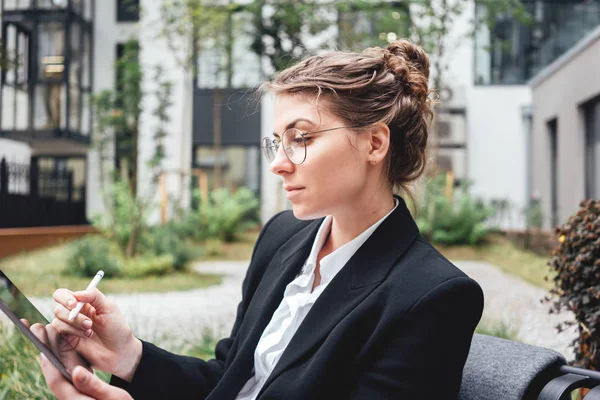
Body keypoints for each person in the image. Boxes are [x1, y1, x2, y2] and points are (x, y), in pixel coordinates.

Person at [29, 39, 484, 399]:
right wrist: (127, 353)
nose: (278, 163)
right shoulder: (282, 237)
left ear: (374, 144)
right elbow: (232, 381)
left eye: (301, 138)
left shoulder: (432, 297)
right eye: (276, 142)